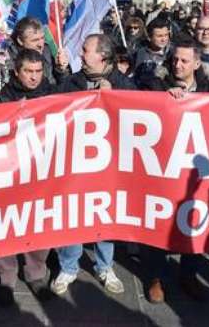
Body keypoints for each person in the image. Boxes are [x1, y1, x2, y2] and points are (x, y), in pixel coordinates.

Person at [138, 39, 209, 304]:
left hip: (194, 167)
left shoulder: (208, 89)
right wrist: (162, 100)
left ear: (197, 63)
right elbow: (138, 106)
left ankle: (189, 274)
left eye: (184, 61)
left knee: (195, 220)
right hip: (161, 166)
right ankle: (155, 276)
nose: (177, 65)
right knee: (158, 219)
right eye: (175, 60)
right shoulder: (156, 83)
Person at [50, 34, 134, 296]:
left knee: (104, 213)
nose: (81, 54)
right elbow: (51, 109)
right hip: (74, 163)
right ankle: (68, 267)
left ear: (103, 57)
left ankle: (105, 266)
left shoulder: (125, 85)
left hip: (108, 167)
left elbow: (142, 116)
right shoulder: (73, 82)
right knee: (72, 213)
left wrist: (116, 100)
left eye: (86, 50)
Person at [0, 49, 54, 306]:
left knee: (39, 225)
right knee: (7, 225)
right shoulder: (2, 95)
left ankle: (36, 273)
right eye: (28, 72)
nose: (33, 77)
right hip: (10, 171)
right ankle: (6, 280)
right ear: (17, 71)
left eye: (38, 71)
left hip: (41, 172)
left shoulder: (51, 94)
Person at [8, 17, 69, 84]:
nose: (40, 45)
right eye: (35, 40)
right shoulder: (7, 57)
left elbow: (60, 86)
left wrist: (60, 70)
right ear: (20, 40)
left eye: (42, 38)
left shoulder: (46, 51)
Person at [132, 18, 171, 85]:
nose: (163, 39)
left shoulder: (173, 52)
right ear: (149, 37)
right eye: (159, 36)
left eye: (166, 35)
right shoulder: (140, 54)